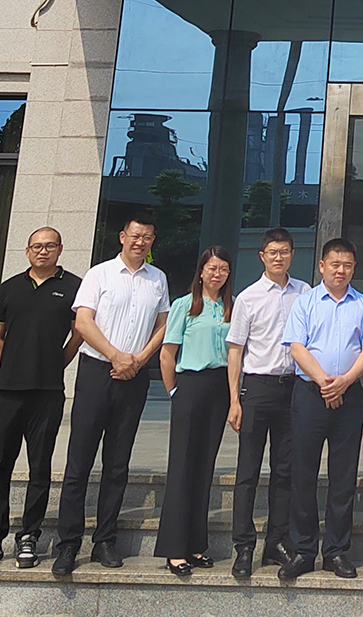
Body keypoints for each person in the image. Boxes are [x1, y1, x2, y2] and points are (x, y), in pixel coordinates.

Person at [52, 214, 171, 576]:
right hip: (97, 372)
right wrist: (116, 356)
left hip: (134, 375)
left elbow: (163, 325)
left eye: (147, 237)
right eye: (135, 235)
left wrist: (139, 360)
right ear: (122, 236)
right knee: (79, 462)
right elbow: (83, 322)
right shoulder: (99, 274)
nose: (140, 242)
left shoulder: (158, 279)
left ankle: (105, 539)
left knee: (117, 464)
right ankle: (68, 543)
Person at [0, 227, 82, 570]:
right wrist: (16, 367)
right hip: (8, 392)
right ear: (28, 251)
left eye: (49, 246)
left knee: (39, 467)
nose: (43, 251)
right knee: (0, 463)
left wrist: (54, 365)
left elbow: (78, 334)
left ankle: (29, 535)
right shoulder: (9, 287)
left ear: (60, 249)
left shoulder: (74, 287)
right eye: (37, 246)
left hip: (48, 394)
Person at [277, 238, 363, 581]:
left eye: (347, 265)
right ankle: (303, 550)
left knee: (343, 477)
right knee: (302, 473)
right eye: (335, 264)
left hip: (349, 397)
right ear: (322, 266)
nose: (341, 270)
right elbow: (297, 347)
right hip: (310, 394)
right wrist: (325, 383)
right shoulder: (305, 302)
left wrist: (344, 382)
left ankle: (336, 550)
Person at [225, 227, 308, 579]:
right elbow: (236, 351)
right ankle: (244, 546)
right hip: (257, 388)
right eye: (272, 252)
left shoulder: (305, 293)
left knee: (285, 470)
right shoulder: (248, 297)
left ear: (292, 255)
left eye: (284, 251)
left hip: (293, 388)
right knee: (248, 471)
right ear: (262, 256)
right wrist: (234, 399)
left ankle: (276, 541)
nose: (279, 257)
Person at [152, 246, 235, 575]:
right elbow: (167, 354)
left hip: (219, 388)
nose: (217, 274)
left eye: (223, 269)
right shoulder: (184, 306)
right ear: (201, 272)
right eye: (212, 268)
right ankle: (175, 549)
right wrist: (174, 391)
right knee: (183, 464)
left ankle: (196, 544)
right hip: (190, 385)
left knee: (204, 466)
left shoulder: (231, 307)